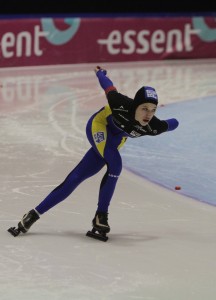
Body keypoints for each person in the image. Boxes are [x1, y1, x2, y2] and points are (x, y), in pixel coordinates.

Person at [8, 66, 179, 239]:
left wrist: (174, 122)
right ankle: (101, 216)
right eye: (144, 108)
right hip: (99, 126)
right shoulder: (119, 102)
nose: (148, 114)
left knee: (76, 178)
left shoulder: (153, 126)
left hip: (115, 140)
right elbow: (108, 87)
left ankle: (32, 215)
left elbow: (173, 123)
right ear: (135, 105)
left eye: (153, 110)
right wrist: (100, 73)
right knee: (116, 163)